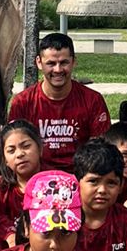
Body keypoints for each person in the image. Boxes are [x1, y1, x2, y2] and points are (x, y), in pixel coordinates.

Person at [8, 33, 111, 169]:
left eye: (64, 63)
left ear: (73, 61)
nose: (58, 70)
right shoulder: (22, 102)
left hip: (80, 177)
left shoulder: (93, 100)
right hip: (36, 177)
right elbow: (14, 149)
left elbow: (101, 151)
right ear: (39, 62)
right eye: (51, 63)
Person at [0, 120, 43, 227]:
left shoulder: (57, 183)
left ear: (40, 148)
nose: (19, 154)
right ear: (5, 160)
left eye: (26, 146)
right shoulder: (2, 191)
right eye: (11, 150)